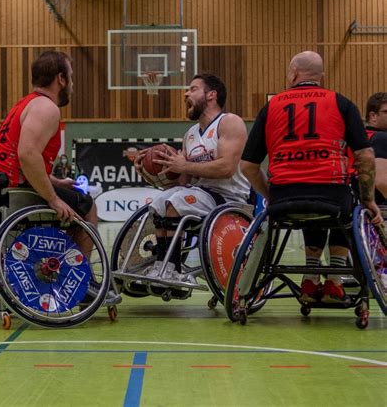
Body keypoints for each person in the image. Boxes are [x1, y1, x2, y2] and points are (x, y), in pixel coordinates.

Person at [240, 51, 382, 304]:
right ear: (322, 77)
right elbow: (366, 157)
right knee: (347, 200)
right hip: (332, 195)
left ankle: (309, 277)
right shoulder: (341, 103)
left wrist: (270, 195)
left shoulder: (271, 106)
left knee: (310, 197)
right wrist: (368, 199)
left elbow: (248, 166)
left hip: (284, 197)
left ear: (293, 74)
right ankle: (335, 283)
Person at [134, 73, 251, 280]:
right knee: (161, 201)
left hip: (229, 199)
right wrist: (150, 172)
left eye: (193, 89)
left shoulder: (229, 122)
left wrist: (184, 164)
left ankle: (172, 269)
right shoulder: (190, 134)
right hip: (202, 195)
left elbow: (227, 168)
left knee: (176, 201)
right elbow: (181, 182)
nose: (185, 93)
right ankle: (161, 265)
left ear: (211, 95)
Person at [0, 50, 97, 230]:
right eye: (70, 77)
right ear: (61, 79)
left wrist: (54, 182)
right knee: (87, 207)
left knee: (70, 199)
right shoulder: (46, 107)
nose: (72, 84)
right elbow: (27, 155)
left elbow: (17, 161)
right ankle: (78, 259)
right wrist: (53, 198)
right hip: (11, 190)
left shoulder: (25, 103)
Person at [365, 92, 387, 204]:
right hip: (379, 210)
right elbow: (383, 182)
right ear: (373, 116)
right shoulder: (381, 138)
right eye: (386, 112)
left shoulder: (359, 137)